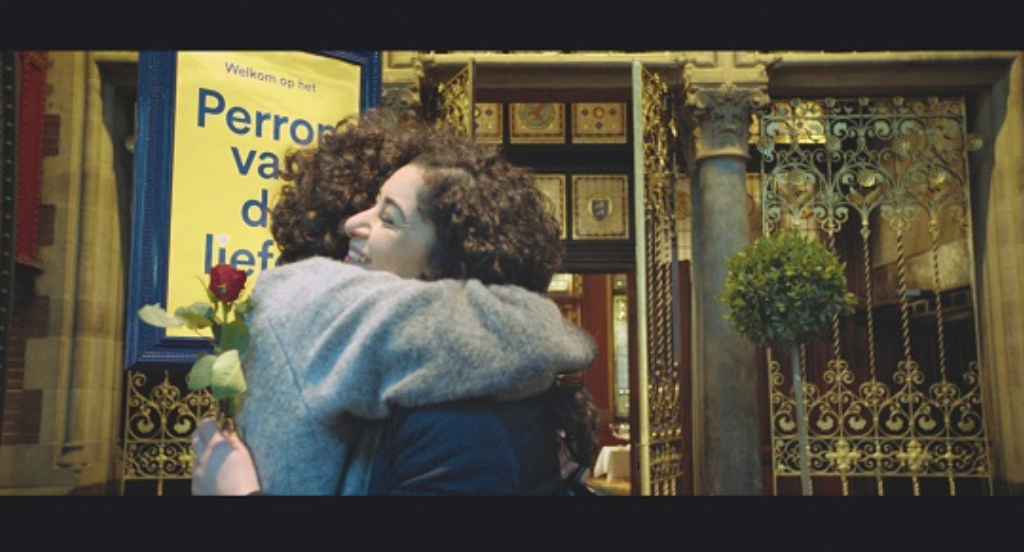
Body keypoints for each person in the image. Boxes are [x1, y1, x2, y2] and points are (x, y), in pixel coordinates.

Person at [191, 110, 600, 495]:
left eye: (389, 218)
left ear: (443, 266)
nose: (352, 223)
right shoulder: (410, 377)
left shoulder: (466, 414)